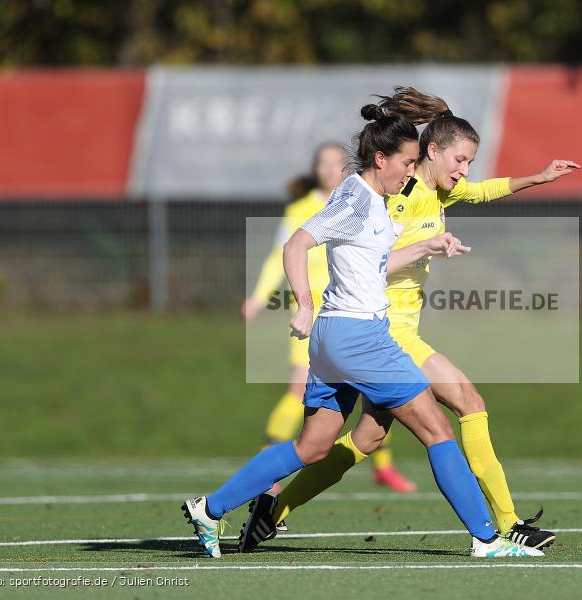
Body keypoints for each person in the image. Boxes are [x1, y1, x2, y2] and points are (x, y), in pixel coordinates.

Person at [183, 98, 542, 559]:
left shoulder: (373, 199)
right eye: (406, 163)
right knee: (438, 430)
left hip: (335, 338)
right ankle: (489, 540)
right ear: (381, 159)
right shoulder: (357, 200)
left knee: (312, 446)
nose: (410, 172)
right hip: (361, 337)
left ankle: (210, 510)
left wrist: (428, 245)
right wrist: (303, 304)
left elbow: (373, 265)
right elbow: (297, 244)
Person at [243, 142, 417, 494]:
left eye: (336, 163)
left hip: (356, 312)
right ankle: (268, 466)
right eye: (323, 163)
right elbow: (285, 252)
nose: (329, 169)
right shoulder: (304, 208)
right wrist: (260, 298)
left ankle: (382, 466)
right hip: (317, 314)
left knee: (377, 394)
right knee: (301, 392)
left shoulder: (363, 199)